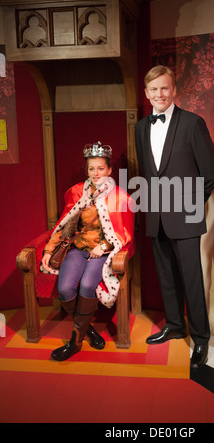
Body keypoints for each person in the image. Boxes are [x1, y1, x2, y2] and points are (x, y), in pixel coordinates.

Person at [135, 65, 214, 368]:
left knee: (192, 278)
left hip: (185, 215)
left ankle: (201, 339)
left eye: (165, 88)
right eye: (153, 89)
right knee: (166, 275)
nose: (159, 94)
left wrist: (190, 206)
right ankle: (174, 325)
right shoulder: (141, 127)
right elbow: (146, 172)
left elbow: (209, 173)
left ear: (174, 90)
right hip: (155, 214)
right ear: (146, 93)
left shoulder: (192, 123)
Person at [41, 142, 135, 361]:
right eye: (92, 169)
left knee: (85, 286)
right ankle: (88, 329)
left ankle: (75, 341)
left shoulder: (121, 197)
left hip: (101, 252)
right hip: (78, 248)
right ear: (87, 170)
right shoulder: (76, 192)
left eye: (100, 168)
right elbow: (64, 224)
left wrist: (103, 246)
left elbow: (126, 232)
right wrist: (49, 249)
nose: (96, 173)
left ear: (109, 170)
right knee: (65, 289)